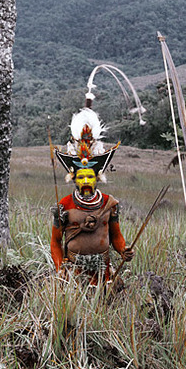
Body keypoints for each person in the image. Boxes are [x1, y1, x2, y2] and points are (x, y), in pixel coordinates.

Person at [50, 102, 130, 286]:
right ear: (74, 178)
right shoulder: (63, 205)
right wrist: (59, 268)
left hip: (103, 273)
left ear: (97, 178)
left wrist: (124, 249)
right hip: (73, 275)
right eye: (81, 177)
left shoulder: (110, 204)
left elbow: (116, 236)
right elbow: (55, 241)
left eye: (89, 177)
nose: (86, 181)